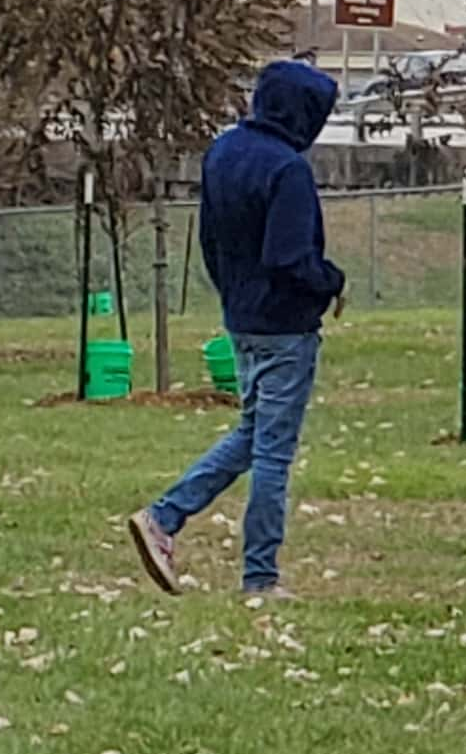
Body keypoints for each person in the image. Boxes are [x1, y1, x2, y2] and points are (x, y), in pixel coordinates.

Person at [126, 60, 345, 603]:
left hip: (242, 318)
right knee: (273, 452)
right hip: (284, 327)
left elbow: (211, 240)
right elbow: (290, 257)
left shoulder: (222, 152)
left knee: (252, 434)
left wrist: (232, 295)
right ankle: (260, 575)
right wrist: (330, 282)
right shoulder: (287, 170)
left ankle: (165, 518)